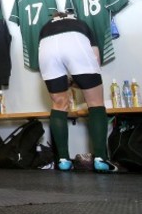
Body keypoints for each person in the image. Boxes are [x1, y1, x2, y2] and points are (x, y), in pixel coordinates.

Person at [37, 10, 117, 173]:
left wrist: (68, 81)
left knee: (58, 104)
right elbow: (95, 60)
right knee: (95, 102)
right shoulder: (81, 24)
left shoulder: (45, 27)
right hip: (75, 41)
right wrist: (80, 82)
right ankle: (101, 159)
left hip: (46, 46)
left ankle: (63, 160)